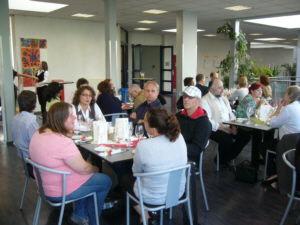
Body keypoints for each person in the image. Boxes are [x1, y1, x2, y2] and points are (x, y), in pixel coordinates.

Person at [29, 102, 112, 225]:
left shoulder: (39, 132)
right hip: (59, 190)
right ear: (60, 119)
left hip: (45, 185)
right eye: (71, 115)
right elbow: (84, 168)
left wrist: (65, 134)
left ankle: (80, 214)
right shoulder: (62, 142)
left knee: (87, 177)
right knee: (105, 181)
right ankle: (93, 220)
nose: (75, 118)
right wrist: (95, 168)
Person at [122, 107, 187, 225]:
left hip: (152, 197)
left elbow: (136, 172)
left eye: (145, 120)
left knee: (125, 178)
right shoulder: (179, 137)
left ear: (152, 129)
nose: (143, 121)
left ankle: (145, 216)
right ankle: (152, 215)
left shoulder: (143, 145)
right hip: (177, 192)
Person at [201, 79, 251, 169]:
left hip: (228, 126)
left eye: (222, 87)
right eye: (219, 88)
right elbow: (207, 121)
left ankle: (223, 159)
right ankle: (223, 160)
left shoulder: (224, 99)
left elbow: (231, 115)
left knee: (246, 136)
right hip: (214, 129)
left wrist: (234, 126)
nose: (222, 89)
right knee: (227, 140)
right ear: (212, 89)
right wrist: (224, 128)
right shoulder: (204, 101)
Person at [259, 86, 300, 185]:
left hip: (287, 144)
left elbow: (273, 123)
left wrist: (278, 109)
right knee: (271, 142)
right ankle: (277, 169)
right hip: (296, 142)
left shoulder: (288, 109)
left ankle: (274, 173)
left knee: (262, 146)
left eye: (286, 93)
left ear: (290, 96)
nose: (284, 94)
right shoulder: (297, 106)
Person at [176, 86, 212, 166]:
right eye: (185, 96)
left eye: (190, 97)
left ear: (198, 101)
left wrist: (175, 147)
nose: (186, 99)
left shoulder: (204, 123)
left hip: (190, 159)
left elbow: (196, 150)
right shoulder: (179, 116)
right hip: (176, 152)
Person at [11, 90, 39, 178]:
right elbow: (40, 146)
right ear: (35, 104)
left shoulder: (16, 117)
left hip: (25, 163)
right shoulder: (30, 122)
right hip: (34, 166)